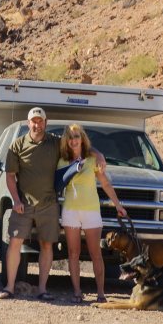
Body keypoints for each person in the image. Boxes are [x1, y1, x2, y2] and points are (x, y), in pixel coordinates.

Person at [0, 107, 106, 301]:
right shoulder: (17, 145)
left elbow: (78, 143)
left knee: (46, 245)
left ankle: (42, 289)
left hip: (49, 204)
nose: (37, 125)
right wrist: (16, 200)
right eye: (33, 121)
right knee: (14, 243)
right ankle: (10, 287)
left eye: (40, 121)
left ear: (45, 123)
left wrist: (98, 154)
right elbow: (10, 176)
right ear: (28, 123)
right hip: (24, 203)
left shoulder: (55, 142)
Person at [58, 123, 126, 304]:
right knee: (73, 253)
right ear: (67, 140)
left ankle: (101, 293)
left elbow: (105, 184)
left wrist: (118, 205)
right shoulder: (62, 160)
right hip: (71, 211)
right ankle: (77, 292)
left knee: (96, 253)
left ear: (82, 138)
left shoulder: (92, 160)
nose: (74, 141)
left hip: (91, 211)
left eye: (77, 137)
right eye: (70, 137)